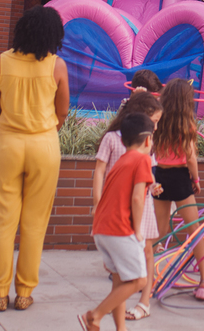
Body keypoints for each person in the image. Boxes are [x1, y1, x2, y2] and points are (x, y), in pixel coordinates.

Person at [0, 6, 71, 312]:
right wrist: (46, 128)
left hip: (8, 143)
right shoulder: (56, 65)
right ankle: (24, 292)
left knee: (3, 223)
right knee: (35, 224)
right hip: (44, 145)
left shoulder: (1, 61)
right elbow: (63, 112)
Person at [79, 113, 156, 331]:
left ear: (122, 141)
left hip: (102, 228)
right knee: (139, 281)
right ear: (148, 140)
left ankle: (120, 328)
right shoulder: (143, 159)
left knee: (120, 282)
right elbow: (137, 198)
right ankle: (95, 316)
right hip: (119, 229)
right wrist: (137, 231)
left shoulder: (122, 160)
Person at [93, 91, 163, 322]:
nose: (155, 128)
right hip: (124, 212)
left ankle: (143, 302)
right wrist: (97, 201)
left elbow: (146, 180)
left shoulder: (142, 151)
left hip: (138, 206)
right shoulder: (119, 141)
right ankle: (98, 316)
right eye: (153, 123)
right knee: (130, 276)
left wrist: (152, 187)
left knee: (145, 255)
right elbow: (101, 171)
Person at [152, 78, 204, 300]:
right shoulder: (187, 125)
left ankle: (148, 279)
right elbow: (191, 157)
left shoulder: (158, 122)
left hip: (162, 176)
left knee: (159, 231)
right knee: (194, 231)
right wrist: (196, 180)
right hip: (181, 178)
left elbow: (151, 151)